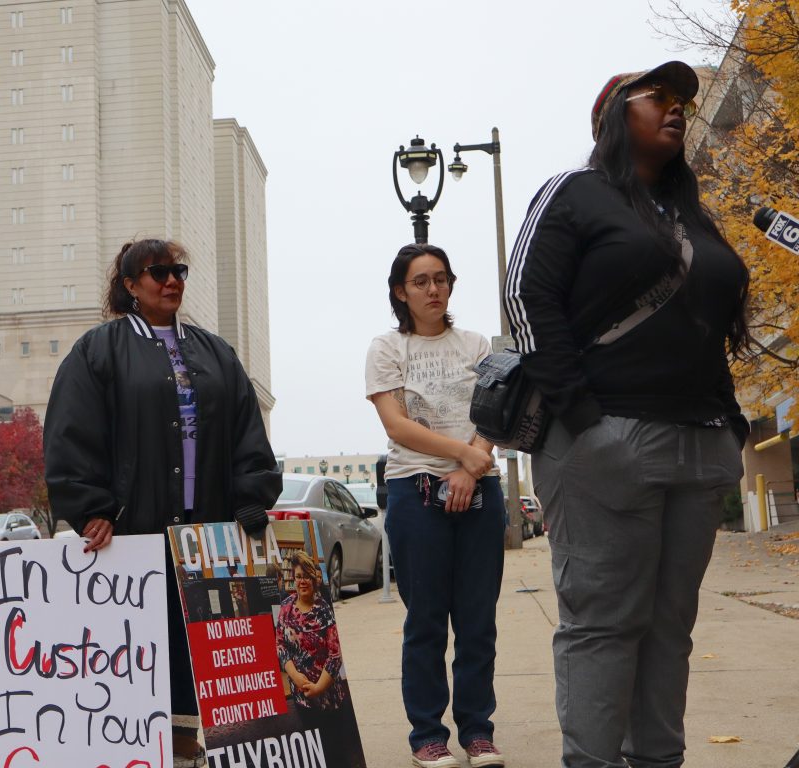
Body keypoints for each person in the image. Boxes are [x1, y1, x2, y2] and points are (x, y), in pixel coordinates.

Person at [504, 61, 749, 768]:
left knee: (670, 629)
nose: (678, 110)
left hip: (700, 444)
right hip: (607, 438)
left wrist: (731, 426)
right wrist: (585, 421)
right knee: (605, 627)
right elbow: (527, 299)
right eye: (660, 98)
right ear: (615, 115)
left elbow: (714, 327)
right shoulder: (574, 193)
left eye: (684, 103)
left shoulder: (694, 218)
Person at [43, 238, 282, 766]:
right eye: (157, 272)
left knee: (206, 647)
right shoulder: (98, 351)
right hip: (137, 533)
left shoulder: (216, 351)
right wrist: (91, 508)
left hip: (212, 531)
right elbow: (70, 433)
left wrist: (251, 495)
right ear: (130, 286)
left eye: (178, 271)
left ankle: (189, 750)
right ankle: (149, 752)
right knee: (141, 652)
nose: (171, 280)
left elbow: (248, 431)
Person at [366, 243, 506, 768]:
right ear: (401, 291)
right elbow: (397, 426)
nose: (432, 289)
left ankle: (477, 733)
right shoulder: (387, 348)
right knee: (425, 620)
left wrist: (473, 467)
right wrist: (464, 458)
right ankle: (427, 734)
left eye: (441, 279)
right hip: (414, 493)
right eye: (420, 281)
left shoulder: (475, 344)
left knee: (477, 621)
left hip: (479, 494)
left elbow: (497, 409)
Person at [276, 551, 349, 767]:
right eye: (298, 576)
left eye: (306, 576)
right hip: (301, 696)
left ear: (315, 579)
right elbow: (280, 645)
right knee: (314, 751)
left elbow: (335, 656)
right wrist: (295, 676)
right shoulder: (286, 607)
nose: (302, 581)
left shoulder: (324, 610)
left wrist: (318, 688)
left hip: (328, 697)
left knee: (335, 751)